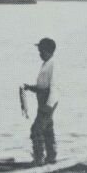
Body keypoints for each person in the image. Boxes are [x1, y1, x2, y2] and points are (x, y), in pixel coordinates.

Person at [24, 37, 58, 165]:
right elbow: (42, 86)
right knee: (47, 129)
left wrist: (48, 106)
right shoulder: (46, 64)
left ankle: (38, 159)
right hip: (43, 100)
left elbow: (54, 87)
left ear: (48, 51)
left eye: (41, 51)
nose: (40, 54)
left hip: (48, 101)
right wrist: (30, 87)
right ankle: (51, 158)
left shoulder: (53, 64)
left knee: (36, 130)